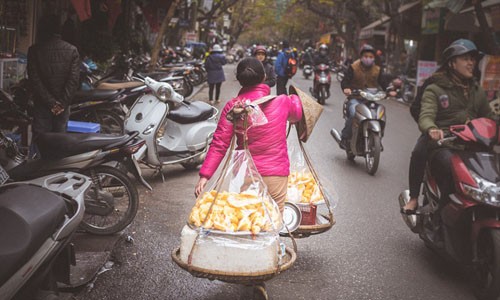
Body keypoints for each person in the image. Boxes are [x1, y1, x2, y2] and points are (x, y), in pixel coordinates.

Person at [194, 57, 303, 212]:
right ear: (264, 77)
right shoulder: (282, 102)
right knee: (274, 222)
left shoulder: (234, 107)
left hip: (245, 175)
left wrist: (205, 175)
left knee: (249, 220)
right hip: (275, 175)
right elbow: (298, 113)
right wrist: (293, 98)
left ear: (240, 80)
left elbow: (219, 144)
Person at [401, 39, 494, 214]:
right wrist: (431, 129)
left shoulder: (477, 90)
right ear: (452, 63)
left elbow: (489, 117)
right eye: (465, 59)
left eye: (473, 59)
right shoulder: (434, 87)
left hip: (470, 145)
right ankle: (425, 206)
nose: (471, 63)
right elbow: (425, 114)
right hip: (443, 142)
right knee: (422, 154)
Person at [27, 14, 80, 142]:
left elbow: (35, 80)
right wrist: (61, 104)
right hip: (62, 107)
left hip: (42, 105)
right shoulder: (72, 50)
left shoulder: (34, 50)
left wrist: (51, 103)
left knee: (40, 142)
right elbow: (73, 81)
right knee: (59, 143)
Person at [337, 44, 395, 149]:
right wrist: (346, 88)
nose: (368, 59)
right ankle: (345, 138)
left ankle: (378, 139)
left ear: (374, 58)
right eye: (366, 56)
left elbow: (384, 82)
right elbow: (345, 81)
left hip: (371, 99)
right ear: (361, 57)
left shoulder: (377, 70)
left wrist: (390, 90)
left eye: (371, 57)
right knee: (354, 113)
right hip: (356, 99)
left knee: (381, 114)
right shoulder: (353, 67)